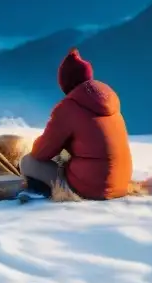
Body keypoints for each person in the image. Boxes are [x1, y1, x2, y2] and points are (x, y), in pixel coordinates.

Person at [19, 48, 132, 200]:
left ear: (66, 82)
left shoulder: (69, 107)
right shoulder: (111, 101)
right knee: (67, 157)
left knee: (28, 162)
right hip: (121, 183)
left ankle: (46, 193)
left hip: (92, 188)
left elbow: (41, 152)